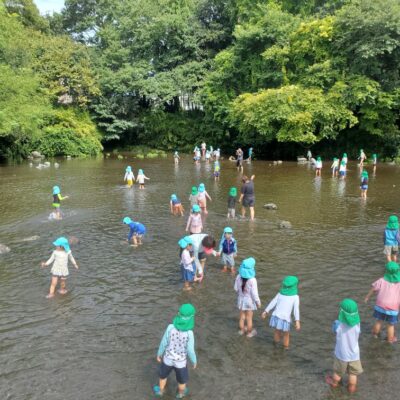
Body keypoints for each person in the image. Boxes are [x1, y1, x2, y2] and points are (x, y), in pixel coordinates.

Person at [153, 304, 197, 398]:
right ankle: (180, 394)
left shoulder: (170, 327)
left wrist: (159, 354)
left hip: (167, 359)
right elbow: (190, 350)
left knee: (163, 376)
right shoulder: (189, 333)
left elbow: (163, 342)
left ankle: (160, 391)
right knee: (182, 381)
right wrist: (194, 361)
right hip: (180, 362)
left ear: (178, 314)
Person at [326, 299, 363, 394]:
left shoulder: (338, 324)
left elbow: (334, 331)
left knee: (338, 372)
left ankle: (334, 383)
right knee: (353, 373)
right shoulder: (357, 324)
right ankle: (351, 388)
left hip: (342, 355)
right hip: (354, 355)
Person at [364, 261, 400, 343]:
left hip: (380, 305)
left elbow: (373, 289)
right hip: (393, 308)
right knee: (390, 325)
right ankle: (390, 339)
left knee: (378, 321)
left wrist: (367, 297)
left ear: (386, 271)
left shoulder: (381, 280)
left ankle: (375, 334)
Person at [261, 276, 300, 350]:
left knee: (277, 332)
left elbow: (273, 302)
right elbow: (296, 310)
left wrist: (266, 311)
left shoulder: (280, 293)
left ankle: (275, 345)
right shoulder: (295, 297)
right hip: (285, 319)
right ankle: (285, 348)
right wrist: (297, 321)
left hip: (276, 316)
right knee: (286, 335)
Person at [234, 258, 261, 338]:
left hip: (241, 300)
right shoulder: (253, 280)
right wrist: (258, 302)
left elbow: (235, 288)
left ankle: (242, 331)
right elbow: (254, 294)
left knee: (242, 317)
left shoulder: (238, 276)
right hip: (249, 301)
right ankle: (249, 333)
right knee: (249, 318)